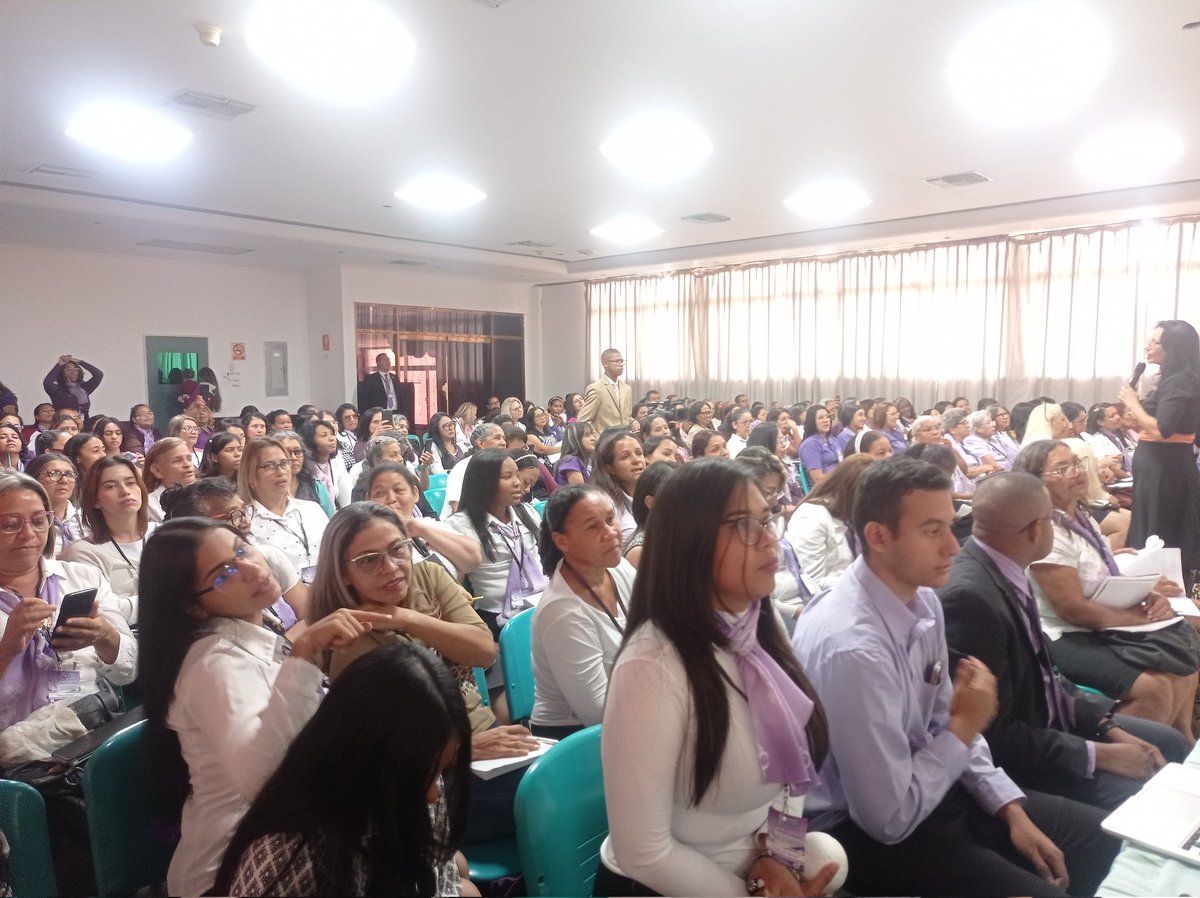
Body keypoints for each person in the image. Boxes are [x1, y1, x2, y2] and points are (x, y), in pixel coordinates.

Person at [792, 457, 1121, 898]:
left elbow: (938, 723)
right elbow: (888, 820)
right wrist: (966, 724)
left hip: (934, 784)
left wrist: (1006, 804)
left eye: (951, 526)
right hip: (860, 833)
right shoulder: (853, 650)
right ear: (878, 536)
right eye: (932, 531)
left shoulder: (923, 601)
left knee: (1103, 840)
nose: (953, 546)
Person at [599, 458, 835, 897]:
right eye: (744, 525)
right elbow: (643, 853)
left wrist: (780, 860)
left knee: (830, 860)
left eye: (767, 519)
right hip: (667, 883)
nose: (771, 540)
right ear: (692, 544)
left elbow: (788, 770)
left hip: (755, 866)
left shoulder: (758, 621)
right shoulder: (652, 668)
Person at [137, 517, 388, 896]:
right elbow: (265, 782)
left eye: (242, 549)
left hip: (290, 841)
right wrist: (304, 655)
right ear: (195, 608)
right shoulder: (213, 663)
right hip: (234, 872)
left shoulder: (255, 628)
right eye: (224, 574)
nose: (252, 568)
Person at [939, 472, 1189, 812]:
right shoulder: (970, 599)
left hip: (1047, 724)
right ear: (1034, 531)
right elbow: (991, 732)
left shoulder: (1005, 565)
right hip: (1022, 759)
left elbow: (1048, 680)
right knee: (1147, 800)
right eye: (1052, 520)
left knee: (1169, 741)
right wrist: (1097, 754)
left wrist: (1107, 728)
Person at [211, 642, 473, 896]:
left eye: (441, 771)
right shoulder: (288, 855)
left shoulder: (413, 791)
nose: (433, 794)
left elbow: (441, 882)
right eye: (418, 775)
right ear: (361, 762)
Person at [1013, 440, 1200, 742]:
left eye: (1075, 462)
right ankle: (1122, 758)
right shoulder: (1046, 530)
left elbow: (1101, 576)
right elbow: (1072, 609)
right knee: (1154, 687)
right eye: (1062, 469)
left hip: (1099, 622)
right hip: (1062, 633)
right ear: (1035, 483)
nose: (1075, 471)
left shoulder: (1081, 516)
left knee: (1182, 663)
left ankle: (1181, 740)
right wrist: (1139, 617)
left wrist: (1147, 595)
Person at [0, 471, 135, 738]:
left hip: (88, 730)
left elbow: (128, 672)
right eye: (10, 523)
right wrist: (7, 650)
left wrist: (105, 637)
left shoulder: (81, 577)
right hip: (14, 751)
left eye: (39, 521)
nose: (28, 534)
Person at [531, 485, 635, 737]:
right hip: (573, 735)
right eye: (593, 527)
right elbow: (597, 712)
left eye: (611, 520)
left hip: (628, 704)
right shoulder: (563, 612)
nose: (611, 533)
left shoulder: (618, 567)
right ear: (561, 541)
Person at [160, 478, 311, 629]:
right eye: (234, 515)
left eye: (244, 511)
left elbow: (309, 615)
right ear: (200, 525)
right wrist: (299, 643)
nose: (246, 522)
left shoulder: (266, 556)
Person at [1119, 320, 1200, 571]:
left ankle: (1161, 585)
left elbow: (1162, 430)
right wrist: (1137, 414)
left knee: (1159, 528)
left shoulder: (1180, 380)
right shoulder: (1174, 378)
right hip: (1161, 465)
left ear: (1173, 347)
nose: (1148, 345)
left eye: (1155, 341)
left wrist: (1132, 402)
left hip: (1164, 468)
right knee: (1154, 524)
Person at [445, 449, 545, 642]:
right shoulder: (460, 525)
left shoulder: (527, 512)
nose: (517, 482)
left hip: (541, 601)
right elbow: (456, 581)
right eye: (507, 477)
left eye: (517, 474)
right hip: (498, 615)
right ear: (484, 484)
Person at [62, 456, 155, 625]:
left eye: (131, 483)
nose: (125, 491)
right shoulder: (85, 552)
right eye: (111, 486)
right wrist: (168, 595)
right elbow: (105, 612)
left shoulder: (161, 533)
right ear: (95, 500)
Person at [362, 462, 482, 577]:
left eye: (399, 490)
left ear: (415, 494)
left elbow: (473, 560)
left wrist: (420, 530)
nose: (391, 499)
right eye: (380, 493)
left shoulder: (427, 525)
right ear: (369, 500)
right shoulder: (370, 544)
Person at [240, 437, 328, 582]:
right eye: (268, 466)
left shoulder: (312, 509)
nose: (280, 471)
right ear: (251, 475)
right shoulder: (246, 521)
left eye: (283, 463)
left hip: (326, 592)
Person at [785, 454, 873, 593]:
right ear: (852, 492)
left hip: (858, 591)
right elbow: (813, 582)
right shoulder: (812, 517)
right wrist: (867, 581)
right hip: (832, 599)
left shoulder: (853, 514)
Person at [438, 422, 507, 520]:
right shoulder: (462, 467)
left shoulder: (503, 466)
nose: (504, 443)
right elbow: (457, 509)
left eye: (504, 438)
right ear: (481, 443)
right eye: (497, 438)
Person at [25, 452, 86, 555]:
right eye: (54, 473)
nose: (64, 480)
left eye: (70, 474)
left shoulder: (86, 519)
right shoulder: (25, 524)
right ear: (34, 480)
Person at [590, 430, 645, 544]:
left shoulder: (652, 493)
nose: (636, 460)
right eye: (625, 456)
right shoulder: (606, 504)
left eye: (639, 453)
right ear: (610, 468)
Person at [143, 437, 198, 521]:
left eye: (189, 458)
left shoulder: (205, 494)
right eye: (177, 461)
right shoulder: (149, 505)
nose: (187, 464)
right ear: (157, 470)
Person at [577, 350, 633, 431]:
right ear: (605, 363)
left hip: (624, 438)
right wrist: (598, 438)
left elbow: (625, 416)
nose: (621, 364)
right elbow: (583, 421)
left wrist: (634, 422)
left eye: (622, 361)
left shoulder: (627, 389)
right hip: (605, 441)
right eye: (617, 361)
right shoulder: (596, 388)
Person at [301, 418, 349, 508]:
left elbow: (347, 501)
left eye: (332, 434)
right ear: (311, 441)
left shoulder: (336, 464)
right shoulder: (305, 468)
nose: (332, 439)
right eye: (324, 435)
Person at [43, 355, 103, 425]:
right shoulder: (58, 389)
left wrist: (81, 362)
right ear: (62, 372)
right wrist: (59, 364)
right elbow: (47, 383)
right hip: (63, 424)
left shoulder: (84, 387)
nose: (73, 372)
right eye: (68, 369)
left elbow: (98, 375)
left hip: (84, 424)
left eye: (76, 369)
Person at [552, 421, 597, 487]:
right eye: (587, 435)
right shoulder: (570, 461)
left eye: (592, 435)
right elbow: (580, 492)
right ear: (576, 439)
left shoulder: (588, 458)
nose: (593, 438)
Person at [334, 403, 359, 469]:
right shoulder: (339, 437)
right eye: (347, 417)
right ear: (340, 420)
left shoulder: (361, 433)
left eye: (354, 416)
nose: (352, 420)